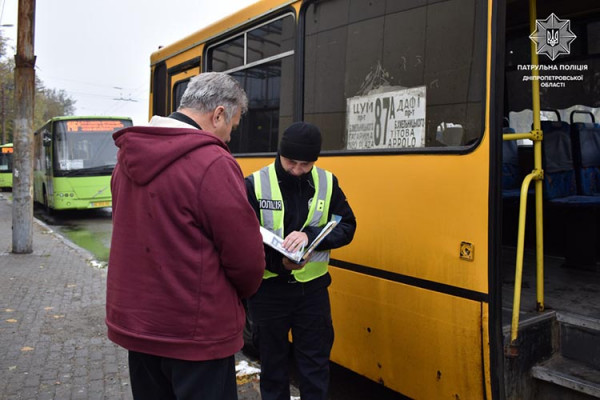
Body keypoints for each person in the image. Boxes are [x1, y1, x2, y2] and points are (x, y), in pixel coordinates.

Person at [106, 72, 266, 400]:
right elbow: (246, 260)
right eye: (231, 127)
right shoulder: (212, 161)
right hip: (196, 335)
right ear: (218, 113)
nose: (228, 138)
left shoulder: (127, 156)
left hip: (140, 327)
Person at [245, 122, 357, 400]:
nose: (296, 169)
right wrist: (278, 263)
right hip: (270, 291)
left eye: (305, 164)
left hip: (313, 292)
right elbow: (242, 240)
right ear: (279, 154)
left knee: (315, 367)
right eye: (290, 162)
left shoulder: (328, 182)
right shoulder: (254, 184)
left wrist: (312, 235)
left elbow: (347, 226)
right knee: (273, 368)